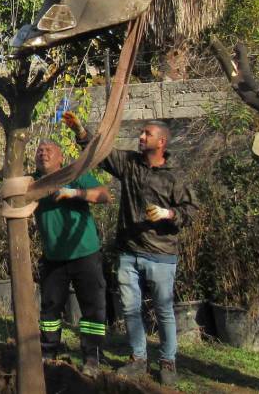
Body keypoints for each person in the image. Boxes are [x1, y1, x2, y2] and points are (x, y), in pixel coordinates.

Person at [63, 112, 197, 387]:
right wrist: (80, 131)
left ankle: (168, 361)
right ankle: (138, 358)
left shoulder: (174, 177)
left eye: (146, 134)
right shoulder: (130, 164)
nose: (141, 137)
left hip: (161, 255)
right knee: (131, 310)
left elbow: (191, 211)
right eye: (141, 133)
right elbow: (101, 153)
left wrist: (168, 213)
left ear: (161, 142)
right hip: (129, 252)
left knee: (164, 310)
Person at [20, 140, 111, 374]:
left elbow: (104, 195)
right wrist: (0, 170)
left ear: (61, 158)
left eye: (48, 150)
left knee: (92, 308)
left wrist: (74, 193)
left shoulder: (73, 174)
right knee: (50, 308)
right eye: (39, 150)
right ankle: (49, 352)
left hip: (85, 253)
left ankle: (92, 358)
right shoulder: (33, 182)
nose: (42, 153)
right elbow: (11, 189)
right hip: (53, 257)